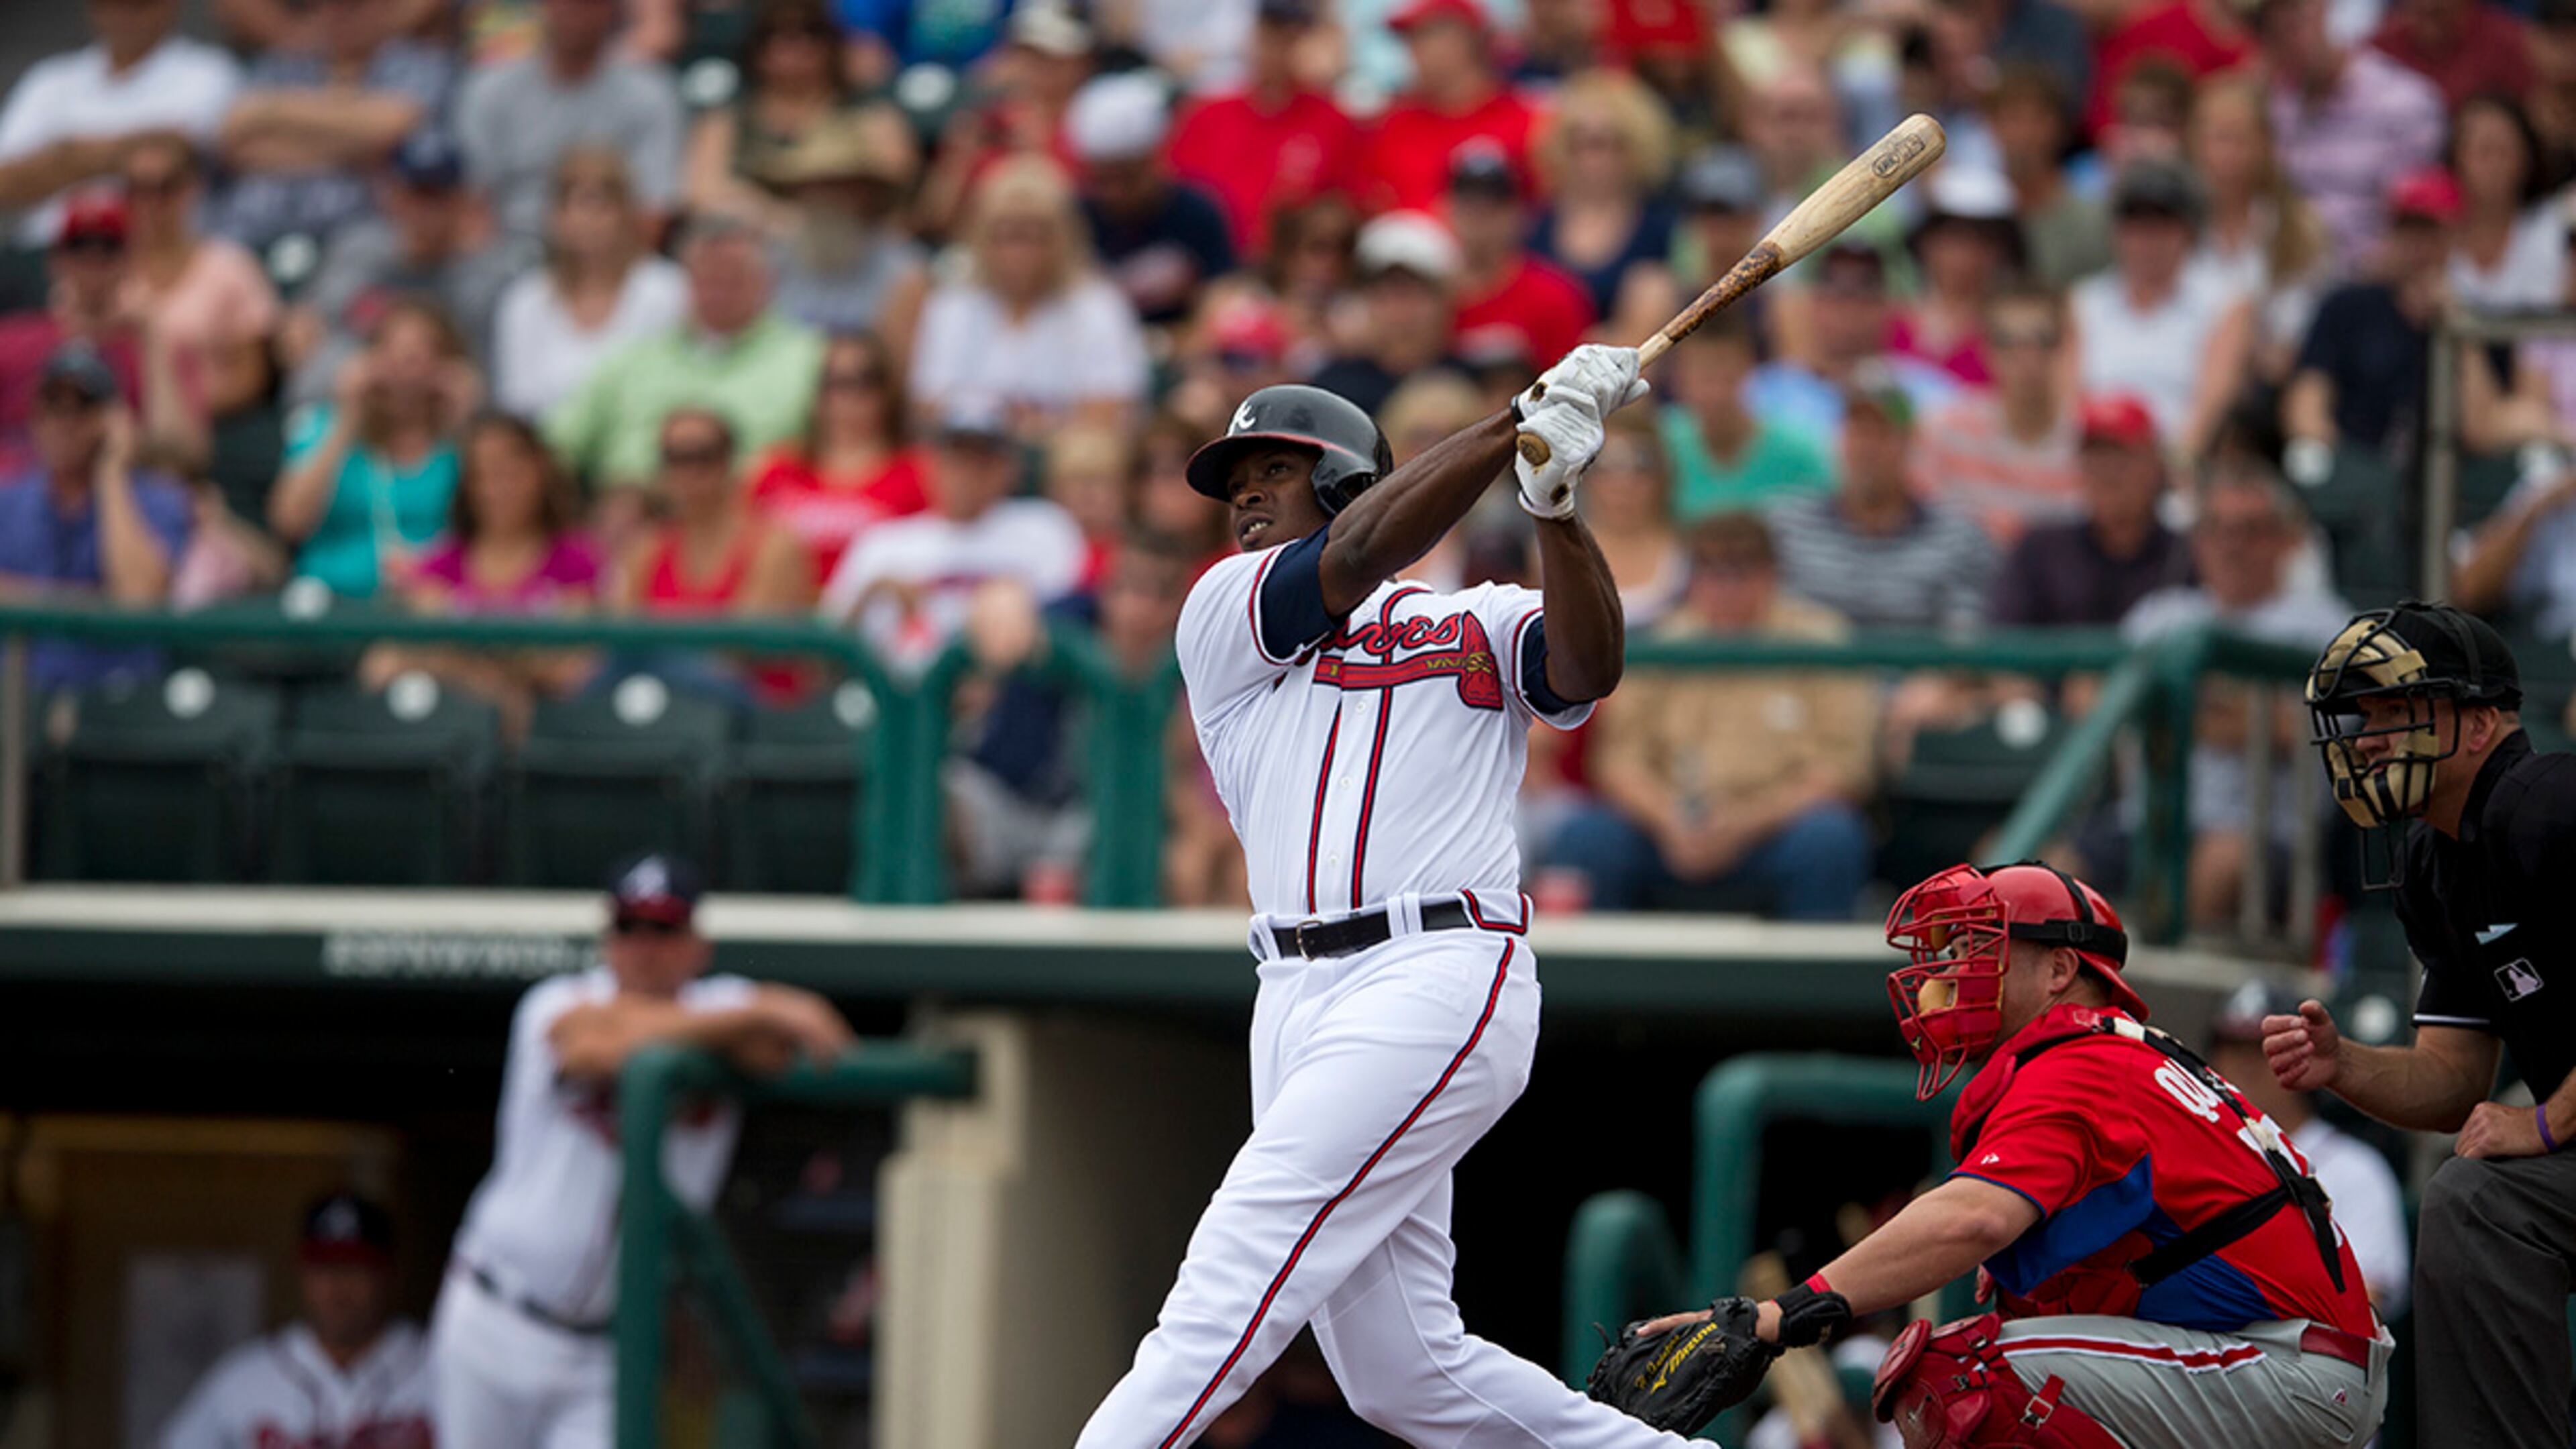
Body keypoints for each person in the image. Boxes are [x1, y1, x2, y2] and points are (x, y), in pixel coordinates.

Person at [1075, 333, 1707, 1443]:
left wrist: (1555, 502)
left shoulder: (1476, 614)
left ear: (1337, 475)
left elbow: (1588, 666)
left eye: (1271, 472)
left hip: (1436, 968)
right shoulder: (1225, 614)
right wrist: (1520, 415)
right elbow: (1360, 551)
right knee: (1402, 1371)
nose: (1245, 500)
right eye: (1236, 482)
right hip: (1294, 992)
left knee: (1233, 1274)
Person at [1611, 861, 2387, 1448]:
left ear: (2061, 970)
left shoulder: (2082, 1060)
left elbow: (1973, 1217)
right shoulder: (2110, 1057)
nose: (1948, 975)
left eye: (1979, 949)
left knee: (1961, 1373)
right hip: (2263, 1363)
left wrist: (1779, 1316)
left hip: (2283, 1370)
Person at [431, 853, 854, 1449]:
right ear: (607, 938)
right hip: (497, 1318)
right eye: (629, 927)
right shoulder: (558, 1002)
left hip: (608, 1349)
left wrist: (745, 1017)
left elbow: (778, 1051)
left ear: (697, 945)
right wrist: (763, 1007)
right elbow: (590, 1049)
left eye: (664, 928)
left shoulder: (723, 1005)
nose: (645, 946)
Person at [2281, 602, 2576, 1447]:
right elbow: (2453, 1080)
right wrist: (2344, 1066)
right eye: (2362, 717)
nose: (2368, 737)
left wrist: (2550, 1121)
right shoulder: (2434, 859)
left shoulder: (2553, 805)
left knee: (2480, 1198)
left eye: (2393, 712)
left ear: (2480, 724)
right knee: (2476, 1195)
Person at [1548, 511, 1877, 918]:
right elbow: (1619, 760)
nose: (1725, 586)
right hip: (1670, 828)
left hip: (1776, 830)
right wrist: (1668, 821)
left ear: (1771, 574)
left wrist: (1743, 825)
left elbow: (1844, 769)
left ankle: (1817, 981)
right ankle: (1597, 981)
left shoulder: (1821, 642)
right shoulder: (1664, 645)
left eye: (1741, 571)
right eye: (1711, 570)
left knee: (1831, 838)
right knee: (1585, 838)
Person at [2121, 463, 2350, 926]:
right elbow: (2087, 700)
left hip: (2268, 836)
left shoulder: (2328, 627)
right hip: (2149, 822)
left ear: (2288, 539)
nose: (2233, 545)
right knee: (2037, 869)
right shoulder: (2161, 615)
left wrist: (2179, 713)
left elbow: (2307, 733)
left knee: (2214, 866)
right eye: (2217, 529)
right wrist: (2236, 712)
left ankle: (2146, 1000)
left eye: (2252, 530)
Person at [544, 213, 825, 531]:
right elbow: (556, 443)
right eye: (707, 277)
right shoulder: (634, 361)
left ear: (767, 283)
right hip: (635, 522)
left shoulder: (807, 358)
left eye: (733, 277)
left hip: (756, 524)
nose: (719, 289)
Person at [818, 398, 1085, 670]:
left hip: (1011, 689)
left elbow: (1067, 622)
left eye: (982, 460)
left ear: (1009, 468)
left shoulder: (1045, 528)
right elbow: (824, 652)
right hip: (899, 696)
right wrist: (873, 591)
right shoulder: (883, 542)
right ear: (932, 464)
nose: (967, 473)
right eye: (956, 457)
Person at [159, 1193, 435, 1449]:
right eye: (324, 1268)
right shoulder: (243, 1380)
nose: (338, 1286)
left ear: (390, 1274)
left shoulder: (440, 1370)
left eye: (355, 1267)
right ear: (301, 1273)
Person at [285, 130, 534, 409]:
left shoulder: (484, 280)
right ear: (393, 195)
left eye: (436, 196)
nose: (424, 210)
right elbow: (304, 344)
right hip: (349, 415)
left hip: (441, 430)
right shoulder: (357, 254)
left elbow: (488, 386)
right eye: (414, 193)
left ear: (461, 200)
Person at [906, 157, 1149, 441]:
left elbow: (1113, 408)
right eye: (1006, 233)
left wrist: (1037, 428)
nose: (1019, 249)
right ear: (982, 237)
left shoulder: (1098, 305)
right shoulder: (953, 305)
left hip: (1065, 463)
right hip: (975, 456)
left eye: (1035, 233)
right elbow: (927, 406)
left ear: (1062, 237)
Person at [2206, 983, 2410, 1316]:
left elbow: (2368, 1300)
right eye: (2232, 1047)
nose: (2246, 1065)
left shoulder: (2358, 1168)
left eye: (2261, 1050)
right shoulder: (2195, 1152)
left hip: (2307, 1357)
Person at [0, 345, 193, 691]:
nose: (65, 423)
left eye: (82, 409)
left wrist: (112, 472)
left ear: (113, 420)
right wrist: (87, 603)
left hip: (118, 699)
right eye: (53, 407)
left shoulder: (159, 500)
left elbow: (139, 602)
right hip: (17, 696)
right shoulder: (8, 500)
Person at [209, 0, 458, 251]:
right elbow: (234, 140)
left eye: (352, 6)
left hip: (353, 241)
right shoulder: (285, 61)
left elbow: (395, 128)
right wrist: (355, 141)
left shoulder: (417, 60)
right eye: (327, 5)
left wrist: (271, 110)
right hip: (251, 234)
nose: (338, 15)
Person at [270, 298, 476, 599]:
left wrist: (463, 425)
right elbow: (289, 522)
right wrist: (347, 420)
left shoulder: (466, 443)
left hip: (435, 606)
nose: (403, 373)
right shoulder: (324, 427)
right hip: (332, 602)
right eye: (390, 354)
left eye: (418, 357)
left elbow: (496, 532)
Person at [1766, 373, 1996, 634]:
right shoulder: (1787, 527)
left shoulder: (1959, 536)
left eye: (1882, 434)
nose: (1868, 448)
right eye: (1858, 432)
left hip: (1918, 671)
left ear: (1909, 443)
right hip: (1812, 673)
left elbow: (1965, 639)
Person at [0, 0, 242, 248]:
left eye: (137, 5)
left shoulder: (209, 72)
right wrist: (134, 150)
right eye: (109, 4)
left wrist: (62, 156)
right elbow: (5, 183)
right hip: (50, 252)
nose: (122, 16)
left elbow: (181, 154)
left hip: (154, 256)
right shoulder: (49, 80)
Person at [454, 0, 687, 241]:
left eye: (585, 4)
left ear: (612, 9)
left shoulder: (651, 91)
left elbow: (654, 211)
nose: (572, 10)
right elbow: (470, 206)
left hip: (608, 255)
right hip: (506, 253)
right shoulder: (488, 88)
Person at [0, 197, 204, 468]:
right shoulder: (12, 341)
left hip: (115, 495)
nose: (93, 262)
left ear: (130, 260)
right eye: (80, 247)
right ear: (57, 260)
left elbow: (182, 459)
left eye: (108, 249)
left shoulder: (155, 348)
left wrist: (151, 335)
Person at [2072, 160, 2251, 462]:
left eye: (2163, 225)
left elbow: (2213, 403)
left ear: (2189, 232)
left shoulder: (2225, 302)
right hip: (2096, 460)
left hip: (2182, 460)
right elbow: (2070, 402)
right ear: (2116, 232)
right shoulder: (2084, 301)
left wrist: (2171, 464)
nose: (2148, 240)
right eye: (2137, 226)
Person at [489, 147, 688, 419]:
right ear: (556, 217)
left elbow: (674, 391)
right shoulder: (525, 300)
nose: (589, 221)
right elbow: (517, 402)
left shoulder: (668, 290)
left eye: (602, 207)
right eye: (578, 206)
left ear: (627, 214)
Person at [2263, 0, 2446, 278]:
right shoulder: (2275, 104)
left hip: (2370, 284)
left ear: (2323, 10)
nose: (2285, 38)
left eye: (2294, 20)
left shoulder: (2405, 102)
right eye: (2268, 30)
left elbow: (2419, 229)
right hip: (2285, 278)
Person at [1165, 0, 1361, 256]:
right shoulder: (1206, 115)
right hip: (1213, 261)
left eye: (1288, 38)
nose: (1276, 49)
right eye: (1269, 36)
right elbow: (1175, 196)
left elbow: (1347, 205)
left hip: (1292, 268)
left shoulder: (1332, 120)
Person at [1989, 394, 2194, 629]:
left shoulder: (2188, 557)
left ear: (2156, 464)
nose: (2107, 472)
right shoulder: (2040, 552)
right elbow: (2004, 642)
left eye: (2121, 456)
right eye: (2095, 456)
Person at [2183, 74, 2332, 384]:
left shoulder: (2297, 230)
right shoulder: (2175, 227)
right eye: (2214, 138)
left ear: (2264, 146)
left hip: (2262, 393)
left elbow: (2289, 347)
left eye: (2237, 139)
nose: (2225, 155)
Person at [747, 332, 927, 585]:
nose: (847, 395)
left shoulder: (917, 474)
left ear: (889, 391)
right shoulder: (777, 470)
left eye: (864, 381)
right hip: (787, 614)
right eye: (834, 382)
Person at [1067, 72, 1238, 330]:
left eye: (1128, 178)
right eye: (1102, 180)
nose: (1114, 192)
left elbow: (1223, 294)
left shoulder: (1198, 212)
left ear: (1155, 162)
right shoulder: (1075, 219)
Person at [1919, 284, 2082, 545]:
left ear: (2065, 345)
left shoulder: (2093, 442)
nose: (2027, 356)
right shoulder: (1947, 431)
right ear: (1986, 349)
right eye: (2007, 341)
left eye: (2044, 340)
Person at [119, 137, 280, 394]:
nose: (150, 202)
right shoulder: (107, 272)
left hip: (217, 425)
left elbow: (251, 377)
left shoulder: (232, 266)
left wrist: (179, 418)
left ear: (191, 188)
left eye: (164, 188)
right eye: (137, 189)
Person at [1527, 68, 1680, 339]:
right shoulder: (1535, 227)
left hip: (1627, 364)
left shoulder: (1661, 228)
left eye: (1609, 144)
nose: (1594, 159)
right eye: (1581, 144)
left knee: (1653, 289)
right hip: (1548, 359)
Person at [757, 106, 928, 344]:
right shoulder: (771, 262)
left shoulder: (903, 271)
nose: (828, 199)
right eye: (817, 184)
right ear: (798, 191)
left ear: (867, 192)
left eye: (842, 184)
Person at [680, 0, 856, 231]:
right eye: (777, 34)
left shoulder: (865, 114)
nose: (797, 45)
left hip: (843, 248)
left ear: (831, 44)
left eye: (811, 31)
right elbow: (696, 196)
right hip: (751, 247)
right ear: (757, 47)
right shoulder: (726, 120)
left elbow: (891, 191)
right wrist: (768, 211)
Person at [1362, 0, 1539, 215]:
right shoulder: (1393, 127)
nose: (1413, 52)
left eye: (1424, 35)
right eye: (1410, 39)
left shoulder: (1524, 121)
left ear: (1465, 38)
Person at [1656, 311, 1834, 523]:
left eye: (1726, 377)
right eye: (1703, 378)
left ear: (1748, 370)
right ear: (1678, 378)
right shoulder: (1659, 445)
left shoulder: (1801, 453)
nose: (1715, 393)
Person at [1445, 143, 1594, 374]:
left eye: (1494, 206)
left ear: (1521, 213)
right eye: (1468, 204)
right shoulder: (1429, 293)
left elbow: (1572, 383)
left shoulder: (1554, 296)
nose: (1480, 218)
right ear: (1448, 208)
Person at [1307, 211, 1471, 419]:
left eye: (1414, 295)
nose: (1400, 315)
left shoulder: (1474, 383)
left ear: (1444, 302)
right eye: (1385, 296)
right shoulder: (1332, 392)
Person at [1894, 167, 2023, 390]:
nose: (1967, 254)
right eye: (1954, 236)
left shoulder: (2017, 335)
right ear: (1926, 241)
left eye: (1983, 240)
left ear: (2002, 250)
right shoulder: (1888, 322)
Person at [1985, 65, 2110, 290]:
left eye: (2037, 120)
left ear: (2060, 128)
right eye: (2014, 119)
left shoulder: (2091, 221)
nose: (2025, 134)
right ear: (1992, 127)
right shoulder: (1974, 214)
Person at [2445, 94, 2564, 314]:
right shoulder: (2432, 231)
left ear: (2528, 158)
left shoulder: (2559, 224)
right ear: (2456, 157)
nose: (2494, 165)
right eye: (2483, 151)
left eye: (2505, 151)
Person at [1582, 409, 1690, 630]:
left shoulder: (1689, 555)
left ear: (1662, 475)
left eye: (1641, 466)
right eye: (1607, 466)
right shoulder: (1548, 556)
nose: (1624, 485)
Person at [2369, 0, 2532, 107]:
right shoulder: (2381, 48)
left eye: (2438, 12)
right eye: (2421, 10)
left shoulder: (2505, 42)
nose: (2429, 5)